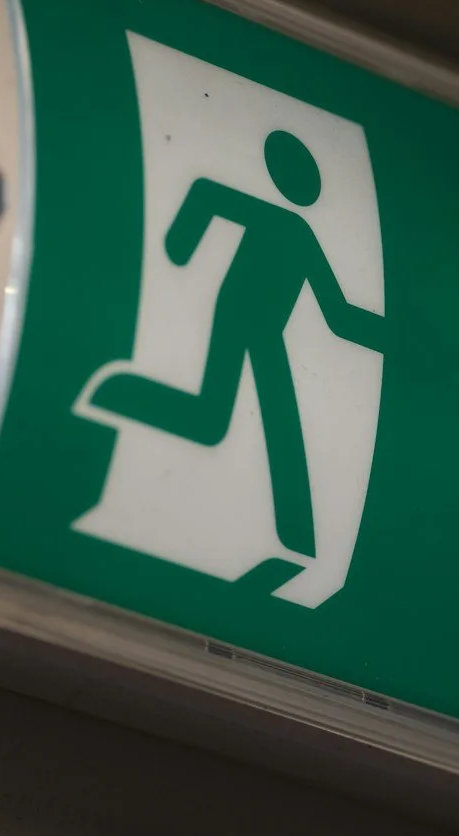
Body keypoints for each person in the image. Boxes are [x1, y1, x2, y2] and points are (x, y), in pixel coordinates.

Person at [91, 129, 384, 558]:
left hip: (264, 328)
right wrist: (180, 244)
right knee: (252, 417)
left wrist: (394, 341)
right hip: (237, 317)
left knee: (217, 416)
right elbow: (208, 194)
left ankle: (118, 395)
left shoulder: (299, 233)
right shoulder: (281, 223)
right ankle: (298, 536)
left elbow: (337, 314)